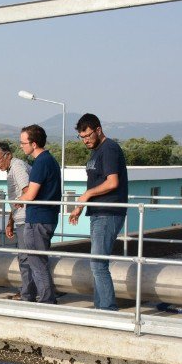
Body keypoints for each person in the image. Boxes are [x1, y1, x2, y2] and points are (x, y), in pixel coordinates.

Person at [69, 113, 129, 311]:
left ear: (98, 130)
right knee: (97, 264)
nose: (85, 140)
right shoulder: (96, 151)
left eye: (87, 136)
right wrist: (79, 208)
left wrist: (86, 195)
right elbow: (96, 183)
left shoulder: (109, 148)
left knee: (98, 264)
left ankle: (108, 310)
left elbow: (113, 182)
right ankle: (100, 307)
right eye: (82, 137)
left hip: (109, 212)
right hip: (98, 212)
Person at [17, 124, 61, 304]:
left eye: (23, 142)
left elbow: (31, 194)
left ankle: (46, 301)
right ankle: (46, 299)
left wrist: (19, 200)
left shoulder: (41, 162)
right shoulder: (49, 160)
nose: (21, 146)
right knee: (38, 260)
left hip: (38, 219)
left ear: (33, 144)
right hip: (46, 217)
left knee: (36, 261)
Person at [0, 141, 35, 302]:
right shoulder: (12, 169)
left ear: (8, 155)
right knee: (25, 256)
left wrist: (16, 217)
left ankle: (27, 293)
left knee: (25, 257)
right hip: (20, 217)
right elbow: (18, 198)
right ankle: (27, 291)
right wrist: (11, 220)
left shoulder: (17, 167)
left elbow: (27, 191)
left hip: (26, 218)